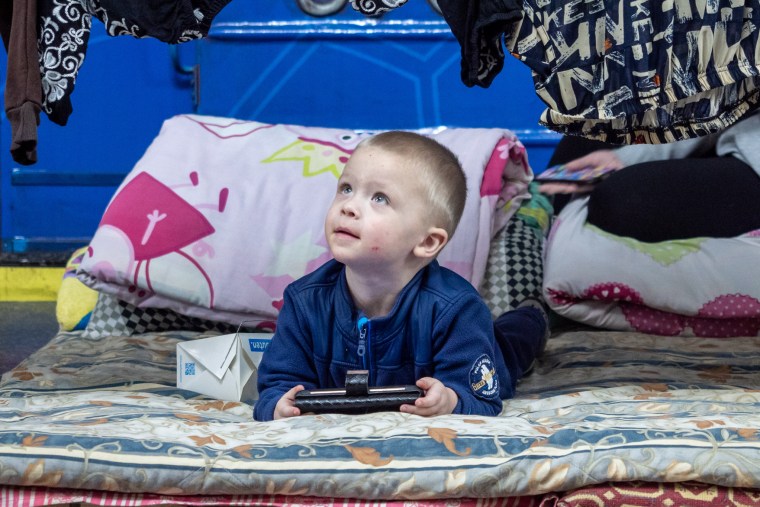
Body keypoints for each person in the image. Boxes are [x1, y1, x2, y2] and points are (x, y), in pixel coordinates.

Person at [253, 131, 548, 421]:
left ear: (427, 242)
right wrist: (278, 405)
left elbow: (482, 397)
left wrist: (450, 399)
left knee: (512, 346)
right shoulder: (304, 301)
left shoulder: (457, 308)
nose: (349, 207)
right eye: (346, 188)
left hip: (486, 349)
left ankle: (533, 315)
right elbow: (276, 384)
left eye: (379, 198)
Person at [540, 110, 760, 243]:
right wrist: (624, 159)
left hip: (751, 163)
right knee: (582, 138)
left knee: (620, 200)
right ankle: (528, 289)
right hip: (737, 131)